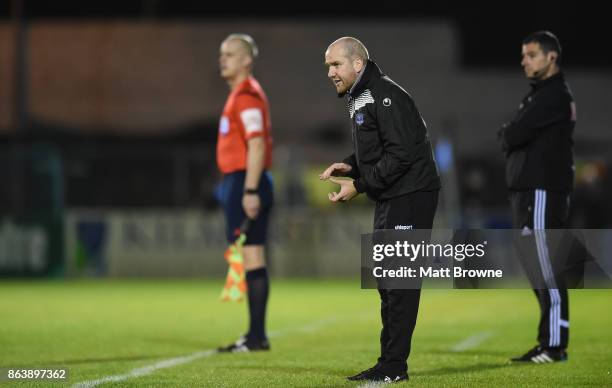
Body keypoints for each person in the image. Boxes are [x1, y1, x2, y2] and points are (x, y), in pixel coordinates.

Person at [320, 37, 440, 382]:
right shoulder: (361, 96)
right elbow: (379, 151)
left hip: (411, 194)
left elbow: (401, 155)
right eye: (328, 66)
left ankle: (394, 367)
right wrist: (350, 166)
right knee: (387, 281)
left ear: (358, 64)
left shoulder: (386, 95)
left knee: (399, 283)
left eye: (336, 64)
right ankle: (388, 362)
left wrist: (358, 185)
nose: (330, 72)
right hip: (392, 194)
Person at [498, 31, 575, 363]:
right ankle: (548, 341)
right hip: (528, 192)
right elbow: (513, 135)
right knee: (536, 266)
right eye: (523, 55)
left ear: (551, 57)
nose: (524, 61)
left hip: (541, 191)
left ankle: (555, 345)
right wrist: (510, 134)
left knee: (546, 265)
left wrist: (509, 133)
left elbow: (513, 134)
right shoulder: (537, 96)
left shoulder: (553, 95)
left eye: (531, 54)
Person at [215, 33, 274, 352]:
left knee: (252, 256)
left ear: (247, 60)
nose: (223, 59)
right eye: (222, 54)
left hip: (245, 181)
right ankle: (254, 335)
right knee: (250, 256)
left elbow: (256, 143)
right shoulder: (239, 94)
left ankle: (256, 337)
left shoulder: (247, 95)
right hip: (238, 180)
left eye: (230, 54)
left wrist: (249, 190)